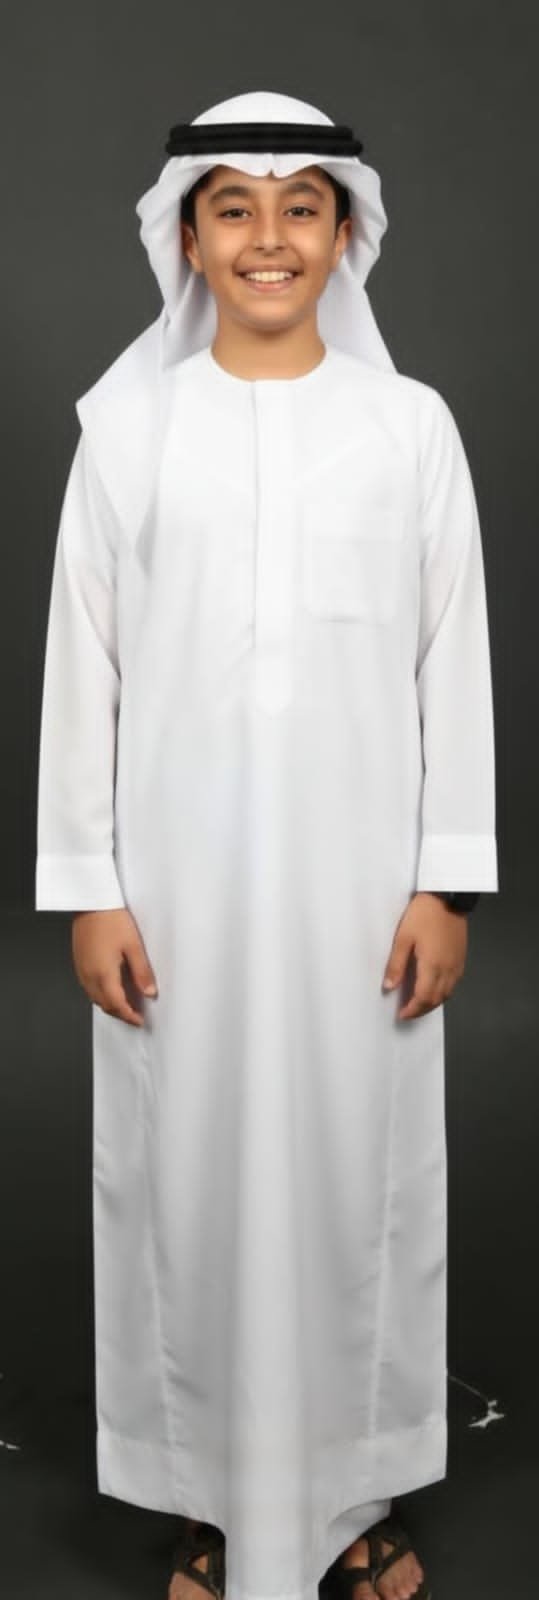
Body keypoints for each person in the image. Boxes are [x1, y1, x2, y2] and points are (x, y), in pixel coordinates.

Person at [35, 89, 498, 1600]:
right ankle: (210, 1498)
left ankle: (352, 1496)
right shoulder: (127, 432)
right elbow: (84, 664)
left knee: (358, 1183)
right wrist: (89, 887)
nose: (268, 237)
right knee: (188, 1181)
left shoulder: (409, 428)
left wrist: (445, 878)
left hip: (361, 899)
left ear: (346, 232)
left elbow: (452, 657)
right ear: (187, 239)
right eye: (232, 207)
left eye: (302, 206)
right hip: (178, 894)